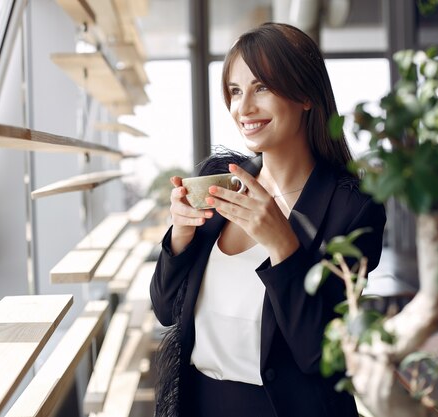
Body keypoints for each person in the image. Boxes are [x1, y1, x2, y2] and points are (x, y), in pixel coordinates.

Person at [150, 22, 386, 417]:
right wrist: (181, 236)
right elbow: (164, 310)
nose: (244, 108)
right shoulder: (219, 179)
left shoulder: (354, 208)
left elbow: (319, 357)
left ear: (306, 95)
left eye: (261, 87)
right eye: (235, 91)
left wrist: (283, 246)